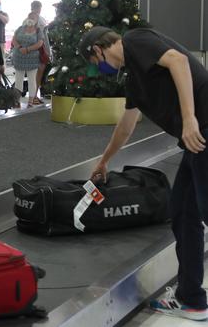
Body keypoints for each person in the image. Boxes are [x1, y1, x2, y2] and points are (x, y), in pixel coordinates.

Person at [81, 26, 208, 321]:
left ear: (98, 49)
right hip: (197, 141)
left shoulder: (135, 40)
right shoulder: (135, 78)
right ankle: (192, 299)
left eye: (93, 61)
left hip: (201, 128)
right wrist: (104, 161)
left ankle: (191, 297)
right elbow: (126, 126)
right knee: (184, 214)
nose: (97, 68)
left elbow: (177, 60)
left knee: (203, 209)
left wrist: (189, 120)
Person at [11, 12, 44, 108]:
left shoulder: (38, 31)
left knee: (32, 80)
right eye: (30, 17)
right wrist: (20, 47)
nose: (31, 19)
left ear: (36, 20)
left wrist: (28, 49)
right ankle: (17, 100)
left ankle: (31, 101)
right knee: (18, 80)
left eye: (33, 18)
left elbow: (40, 43)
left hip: (32, 59)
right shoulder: (20, 28)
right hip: (19, 58)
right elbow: (14, 39)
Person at [31, 0, 50, 103]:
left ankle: (34, 95)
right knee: (37, 73)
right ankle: (33, 96)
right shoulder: (34, 18)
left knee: (38, 73)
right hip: (39, 48)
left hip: (41, 47)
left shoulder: (38, 18)